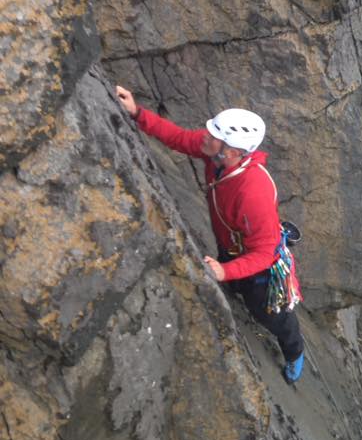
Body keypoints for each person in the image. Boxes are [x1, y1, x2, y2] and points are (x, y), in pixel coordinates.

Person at [115, 85, 305, 384]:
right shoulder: (214, 157)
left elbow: (265, 252)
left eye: (214, 136)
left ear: (232, 151)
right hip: (231, 246)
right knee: (234, 287)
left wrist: (225, 271)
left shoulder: (253, 191)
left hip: (261, 268)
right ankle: (234, 284)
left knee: (271, 316)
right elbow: (178, 138)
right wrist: (137, 113)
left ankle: (295, 352)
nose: (205, 136)